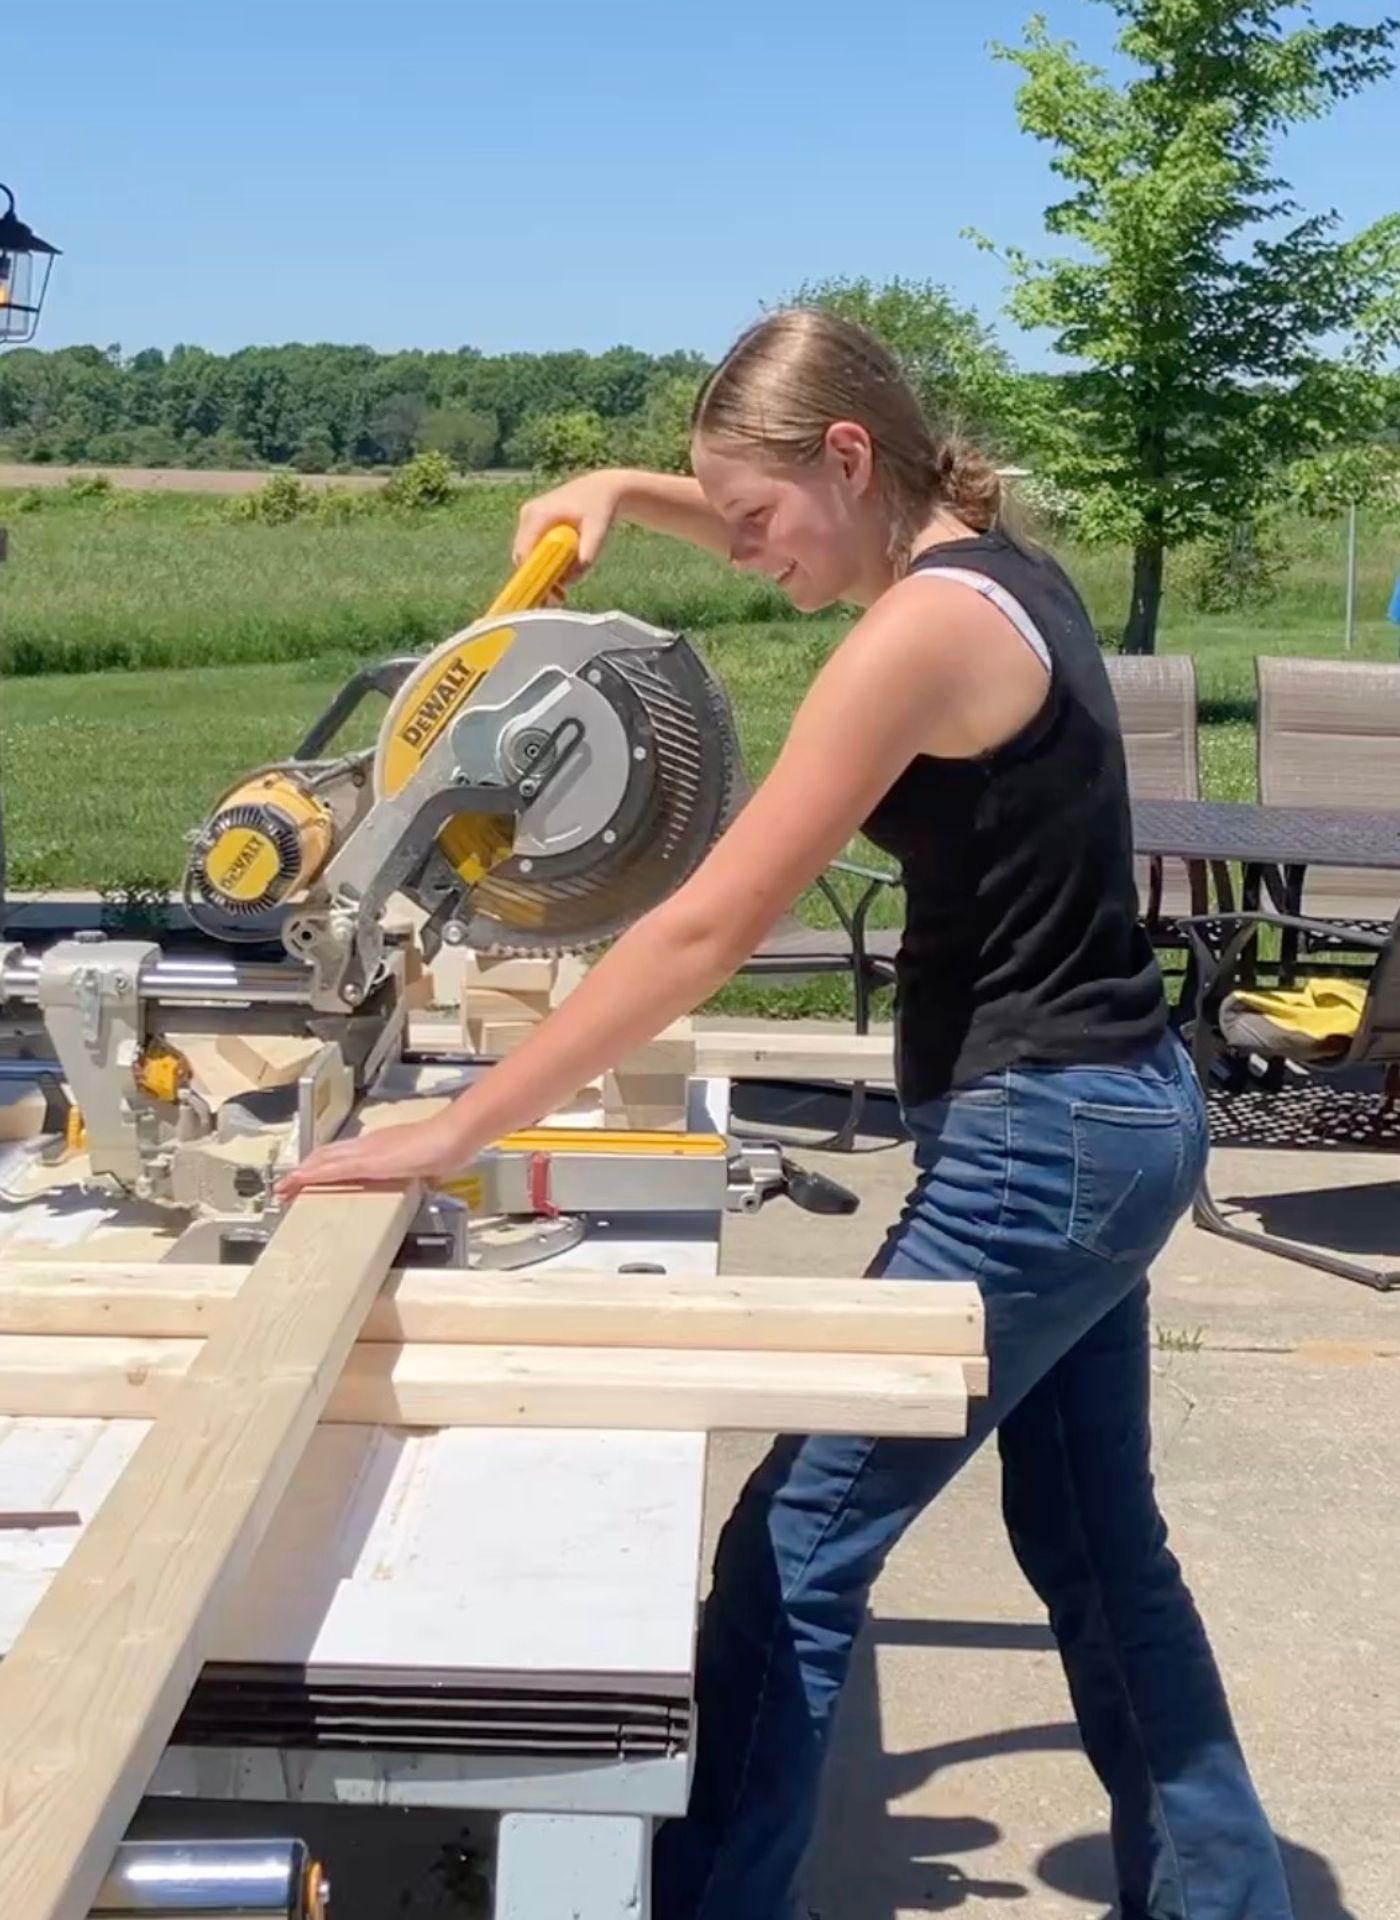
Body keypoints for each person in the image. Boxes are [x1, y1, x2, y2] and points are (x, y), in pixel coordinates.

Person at [280, 308, 1294, 1920]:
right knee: (1100, 1552)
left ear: (845, 457)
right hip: (1114, 1116)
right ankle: (1229, 1897)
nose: (744, 557)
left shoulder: (914, 637)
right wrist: (623, 484)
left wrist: (455, 1127)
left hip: (1041, 1144)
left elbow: (702, 924)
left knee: (796, 1555)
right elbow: (777, 513)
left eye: (754, 521)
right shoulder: (987, 566)